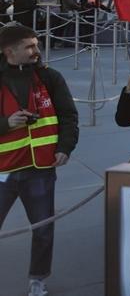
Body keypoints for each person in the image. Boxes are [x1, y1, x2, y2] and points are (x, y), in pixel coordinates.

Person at [0, 23, 79, 296]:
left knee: (43, 229)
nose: (37, 51)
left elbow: (69, 115)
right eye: (30, 47)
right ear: (10, 51)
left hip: (41, 168)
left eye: (37, 44)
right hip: (4, 168)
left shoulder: (50, 77)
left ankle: (38, 279)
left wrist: (65, 147)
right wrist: (6, 124)